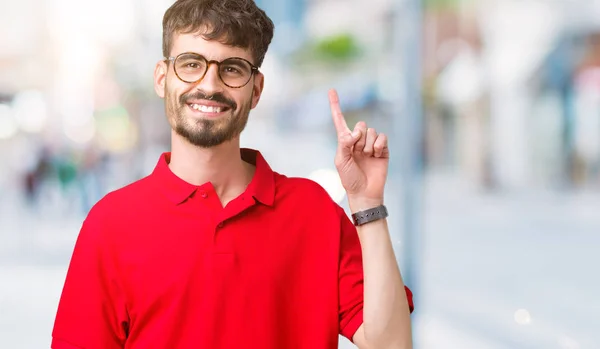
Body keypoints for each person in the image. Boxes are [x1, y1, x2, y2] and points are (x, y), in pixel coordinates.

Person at [51, 0, 414, 348]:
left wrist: (368, 204)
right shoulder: (111, 223)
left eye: (232, 68)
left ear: (255, 90)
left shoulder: (315, 211)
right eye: (191, 64)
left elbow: (392, 343)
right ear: (162, 78)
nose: (209, 85)